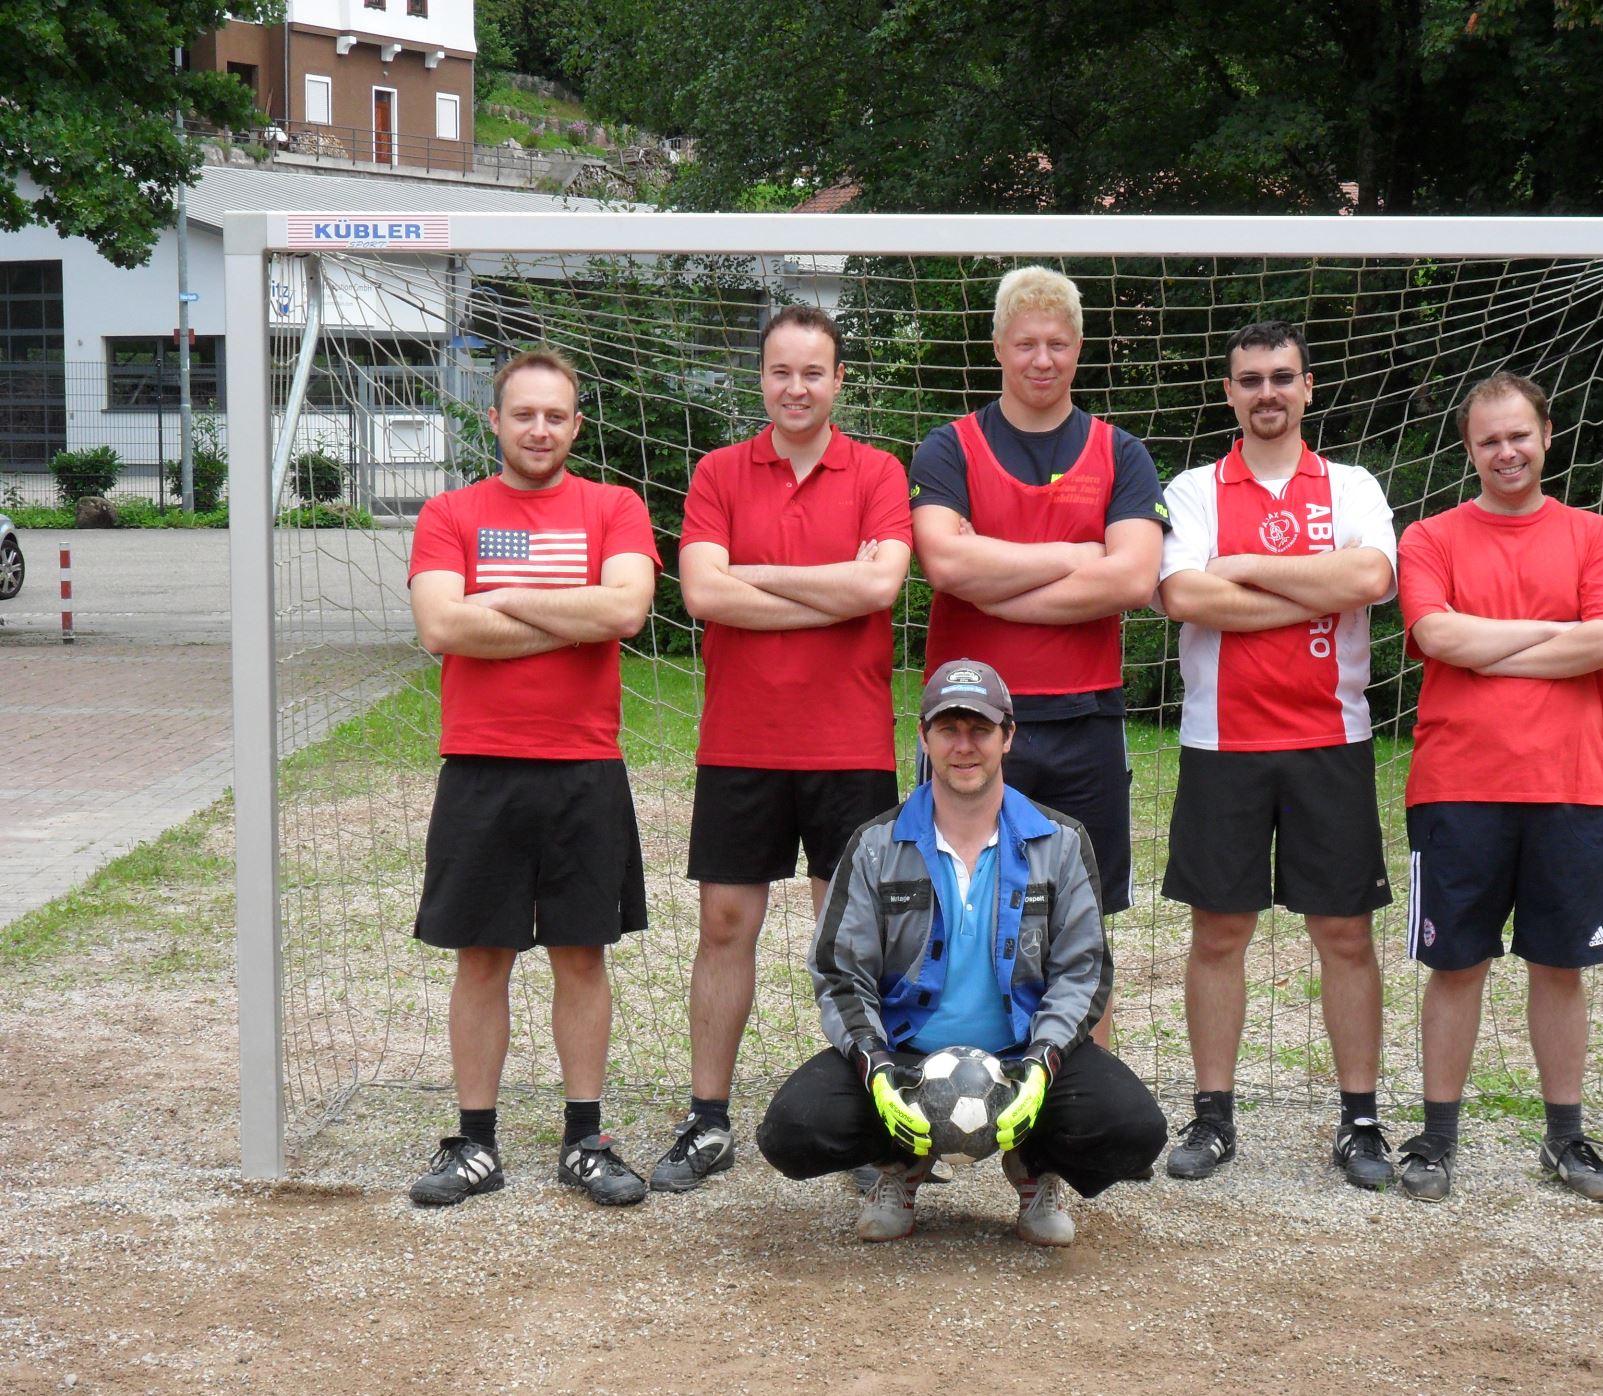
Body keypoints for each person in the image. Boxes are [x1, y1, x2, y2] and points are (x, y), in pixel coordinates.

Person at [756, 659, 1168, 1245]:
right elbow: (839, 970)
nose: (964, 746)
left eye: (980, 729)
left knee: (1131, 1128)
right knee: (794, 1130)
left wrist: (1044, 1062)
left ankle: (1035, 1168)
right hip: (904, 1053)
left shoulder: (1061, 840)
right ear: (923, 737)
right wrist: (874, 1062)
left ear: (1009, 735)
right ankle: (900, 1166)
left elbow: (1083, 970)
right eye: (949, 729)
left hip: (1023, 1053)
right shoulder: (875, 844)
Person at [651, 305, 914, 1192]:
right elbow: (701, 595)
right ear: (759, 379)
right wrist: (827, 593)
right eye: (779, 372)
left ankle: (874, 1128)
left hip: (849, 744)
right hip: (742, 741)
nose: (795, 388)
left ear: (840, 381)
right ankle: (708, 1118)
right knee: (726, 926)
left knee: (851, 940)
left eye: (813, 372)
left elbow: (880, 584)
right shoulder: (721, 471)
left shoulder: (878, 472)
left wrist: (753, 576)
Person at [405, 346, 662, 1207]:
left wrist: (501, 599)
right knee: (482, 958)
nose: (540, 428)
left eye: (556, 415)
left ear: (576, 424)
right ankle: (475, 1144)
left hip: (584, 766)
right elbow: (442, 626)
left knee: (580, 956)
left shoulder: (614, 506)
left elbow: (626, 609)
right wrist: (572, 612)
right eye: (524, 414)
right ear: (496, 420)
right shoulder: (449, 511)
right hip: (481, 765)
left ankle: (584, 1140)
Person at [1156, 320, 1399, 1188]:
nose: (1267, 393)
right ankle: (1213, 1117)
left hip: (1331, 738)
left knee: (1344, 932)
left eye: (1282, 378)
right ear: (1229, 392)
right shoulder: (1191, 488)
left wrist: (1246, 567)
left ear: (1309, 387)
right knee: (1219, 930)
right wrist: (1309, 586)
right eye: (1250, 379)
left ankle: (1360, 1120)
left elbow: (1369, 582)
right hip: (1222, 742)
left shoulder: (1352, 484)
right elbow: (1184, 594)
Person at [1395, 370, 1603, 1203]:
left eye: (1519, 435)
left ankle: (1566, 1140)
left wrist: (1486, 647)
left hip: (1571, 785)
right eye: (1488, 439)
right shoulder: (1430, 538)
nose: (1506, 451)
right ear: (1469, 449)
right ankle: (1434, 1141)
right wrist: (1553, 636)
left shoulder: (1595, 536)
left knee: (1559, 967)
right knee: (1455, 964)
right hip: (1457, 785)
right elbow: (1433, 631)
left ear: (1545, 434)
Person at [910, 267, 1167, 961]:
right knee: (957, 915)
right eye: (1026, 343)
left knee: (1081, 925)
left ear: (1079, 347)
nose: (1042, 359)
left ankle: (1083, 1071)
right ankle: (960, 1069)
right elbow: (946, 565)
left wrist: (993, 583)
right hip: (968, 722)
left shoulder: (1120, 453)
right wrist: (1079, 554)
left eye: (1057, 343)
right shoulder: (948, 447)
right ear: (997, 346)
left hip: (1087, 720)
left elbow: (1135, 577)